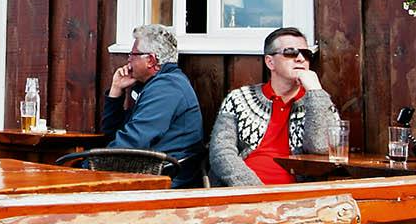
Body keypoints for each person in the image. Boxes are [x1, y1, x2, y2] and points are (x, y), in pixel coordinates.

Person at [207, 28, 342, 187]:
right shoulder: (239, 98)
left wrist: (315, 91)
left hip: (298, 198)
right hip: (242, 195)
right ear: (270, 62)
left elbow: (320, 148)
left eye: (306, 54)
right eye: (290, 52)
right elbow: (221, 153)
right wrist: (256, 191)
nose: (300, 58)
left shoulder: (320, 102)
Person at [99, 24, 205, 185]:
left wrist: (89, 167)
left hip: (169, 182)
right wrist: (116, 90)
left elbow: (132, 143)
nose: (128, 60)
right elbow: (112, 134)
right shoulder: (154, 86)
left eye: (133, 54)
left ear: (151, 60)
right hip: (149, 174)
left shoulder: (167, 88)